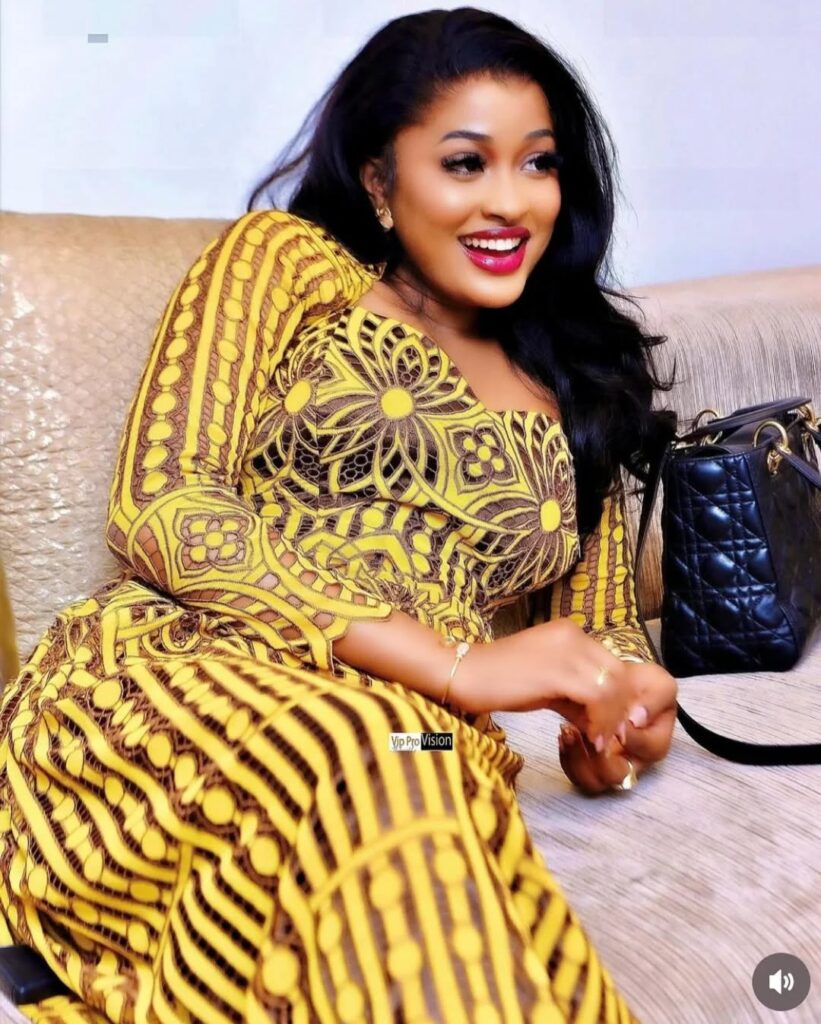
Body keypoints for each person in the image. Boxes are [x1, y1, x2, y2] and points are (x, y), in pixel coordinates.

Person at [0, 7, 680, 1023]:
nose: (509, 201)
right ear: (378, 182)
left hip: (417, 736)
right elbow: (162, 502)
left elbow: (601, 635)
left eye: (537, 163)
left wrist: (621, 721)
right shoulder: (287, 264)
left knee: (407, 766)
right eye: (464, 163)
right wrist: (455, 665)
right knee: (359, 745)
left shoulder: (577, 381)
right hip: (184, 669)